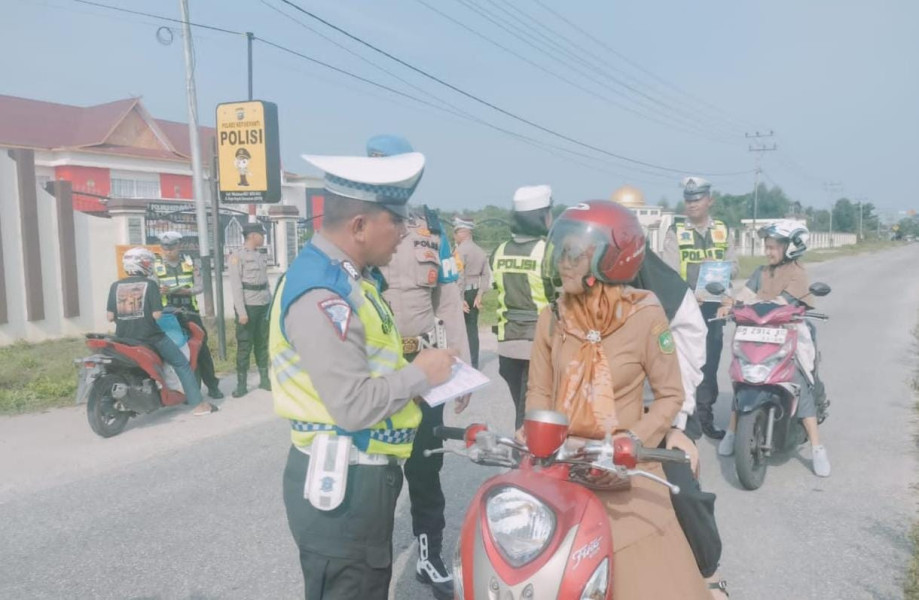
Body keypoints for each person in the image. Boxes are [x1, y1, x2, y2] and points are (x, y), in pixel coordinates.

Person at [272, 149, 457, 599]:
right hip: (345, 486)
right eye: (396, 222)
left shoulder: (353, 280)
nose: (404, 234)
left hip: (363, 477)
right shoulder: (323, 293)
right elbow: (352, 405)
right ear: (359, 225)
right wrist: (420, 375)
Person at [526, 200, 709, 599]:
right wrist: (533, 432)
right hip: (560, 465)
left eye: (576, 254)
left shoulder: (645, 314)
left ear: (614, 260)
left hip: (624, 466)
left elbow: (670, 394)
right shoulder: (551, 318)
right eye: (562, 251)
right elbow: (539, 391)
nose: (564, 263)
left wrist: (632, 443)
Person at [368, 134, 470, 600]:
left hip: (427, 363)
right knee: (376, 471)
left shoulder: (431, 228)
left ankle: (429, 558)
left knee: (425, 468)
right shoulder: (359, 223)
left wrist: (462, 367)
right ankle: (373, 568)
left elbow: (449, 301)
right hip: (378, 369)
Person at [717, 221, 830, 477]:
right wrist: (729, 303)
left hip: (790, 331)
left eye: (772, 247)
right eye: (766, 247)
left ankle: (817, 447)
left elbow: (781, 303)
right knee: (742, 376)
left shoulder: (797, 273)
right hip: (759, 331)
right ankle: (733, 431)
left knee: (798, 381)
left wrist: (753, 303)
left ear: (790, 248)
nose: (768, 252)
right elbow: (744, 294)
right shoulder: (761, 271)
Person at [662, 177, 739, 439]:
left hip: (714, 308)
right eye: (688, 200)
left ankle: (705, 416)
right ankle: (683, 419)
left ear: (709, 200)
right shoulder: (676, 231)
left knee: (710, 363)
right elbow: (669, 271)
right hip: (686, 308)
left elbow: (734, 265)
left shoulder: (721, 229)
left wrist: (719, 272)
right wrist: (689, 295)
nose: (692, 204)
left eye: (697, 199)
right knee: (684, 363)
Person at [107, 247, 217, 415]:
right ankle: (198, 405)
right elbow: (157, 315)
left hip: (123, 337)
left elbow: (109, 316)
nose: (150, 266)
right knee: (181, 363)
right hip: (150, 337)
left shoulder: (116, 285)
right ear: (143, 264)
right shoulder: (149, 285)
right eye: (149, 263)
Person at [491, 184, 555, 429]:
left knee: (522, 411)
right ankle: (526, 464)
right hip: (539, 344)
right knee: (533, 418)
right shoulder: (547, 252)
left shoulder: (499, 251)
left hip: (507, 345)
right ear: (543, 217)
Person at [155, 231, 224, 399]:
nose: (168, 251)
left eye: (171, 247)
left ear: (178, 246)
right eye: (165, 248)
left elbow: (200, 286)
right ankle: (187, 390)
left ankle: (212, 386)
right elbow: (152, 290)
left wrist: (188, 291)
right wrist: (159, 291)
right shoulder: (156, 265)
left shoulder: (190, 262)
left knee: (201, 350)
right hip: (168, 316)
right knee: (177, 352)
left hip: (189, 312)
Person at [229, 222, 271, 397]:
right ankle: (241, 384)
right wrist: (242, 312)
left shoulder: (261, 255)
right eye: (261, 234)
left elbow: (265, 282)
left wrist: (271, 303)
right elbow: (236, 285)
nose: (263, 237)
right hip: (248, 305)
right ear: (253, 235)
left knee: (262, 342)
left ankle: (264, 379)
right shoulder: (237, 256)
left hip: (263, 304)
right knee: (245, 344)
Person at [453, 216, 491, 368]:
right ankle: (474, 363)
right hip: (475, 293)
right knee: (473, 329)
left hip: (462, 293)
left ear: (462, 232)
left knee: (459, 329)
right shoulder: (480, 251)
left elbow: (459, 276)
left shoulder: (460, 251)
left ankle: (463, 363)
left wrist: (459, 298)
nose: (454, 236)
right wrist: (480, 294)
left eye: (455, 232)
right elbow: (486, 274)